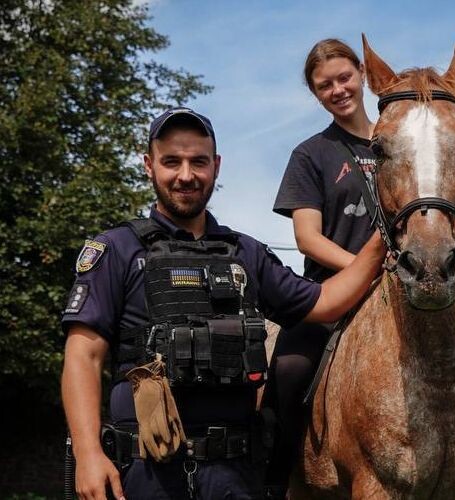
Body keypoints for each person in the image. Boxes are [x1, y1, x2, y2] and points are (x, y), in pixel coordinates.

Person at [60, 106, 385, 500]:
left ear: (215, 166)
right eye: (171, 162)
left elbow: (324, 303)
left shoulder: (245, 253)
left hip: (235, 476)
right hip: (145, 475)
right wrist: (88, 452)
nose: (185, 175)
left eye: (198, 162)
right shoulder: (116, 249)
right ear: (149, 166)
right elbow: (83, 355)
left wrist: (383, 238)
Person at [267, 39, 376, 492]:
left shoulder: (400, 141)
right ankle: (274, 481)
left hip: (408, 290)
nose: (338, 89)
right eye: (324, 85)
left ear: (362, 73)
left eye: (344, 77)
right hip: (331, 294)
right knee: (288, 372)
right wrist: (364, 269)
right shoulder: (310, 154)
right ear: (316, 95)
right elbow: (307, 239)